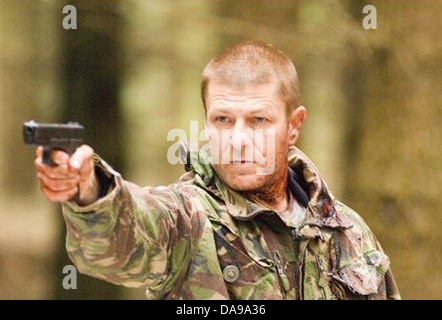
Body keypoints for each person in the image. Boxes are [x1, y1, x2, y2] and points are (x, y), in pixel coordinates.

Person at [34, 41, 400, 300]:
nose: (238, 140)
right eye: (223, 119)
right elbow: (126, 235)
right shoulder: (188, 219)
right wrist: (89, 188)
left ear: (293, 125)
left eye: (258, 120)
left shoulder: (348, 233)